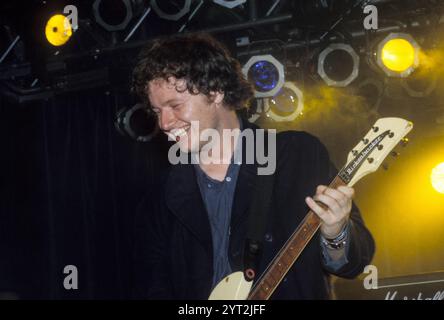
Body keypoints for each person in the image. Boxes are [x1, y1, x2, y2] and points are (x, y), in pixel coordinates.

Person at [131, 33, 375, 299]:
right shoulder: (162, 195)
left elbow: (352, 264)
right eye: (157, 111)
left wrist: (336, 232)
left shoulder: (296, 156)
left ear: (215, 91)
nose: (164, 123)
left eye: (175, 105)